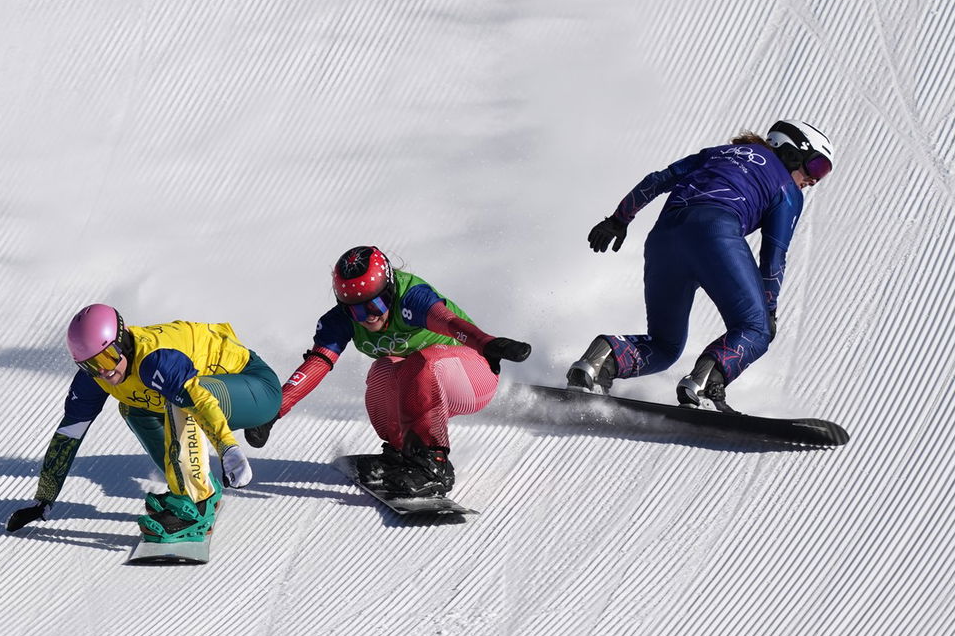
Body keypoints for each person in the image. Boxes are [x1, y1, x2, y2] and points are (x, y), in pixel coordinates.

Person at [567, 119, 835, 410]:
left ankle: (601, 360)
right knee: (755, 329)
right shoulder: (787, 189)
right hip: (715, 234)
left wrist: (619, 219)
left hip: (663, 239)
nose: (814, 180)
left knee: (665, 346)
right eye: (817, 166)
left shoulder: (717, 153)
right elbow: (774, 256)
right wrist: (769, 311)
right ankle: (704, 387)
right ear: (791, 151)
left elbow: (657, 180)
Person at [249, 246, 531, 498]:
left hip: (472, 377)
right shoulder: (341, 320)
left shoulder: (411, 297)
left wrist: (487, 343)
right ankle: (403, 451)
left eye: (377, 304)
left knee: (423, 361)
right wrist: (274, 410)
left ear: (391, 289)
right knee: (382, 370)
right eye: (357, 311)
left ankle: (434, 465)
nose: (370, 316)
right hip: (421, 387)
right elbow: (317, 364)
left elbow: (448, 322)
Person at [5, 305, 282, 543]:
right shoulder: (96, 378)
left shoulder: (154, 360)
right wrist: (44, 498)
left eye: (107, 357)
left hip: (255, 386)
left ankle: (194, 507)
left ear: (123, 342)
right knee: (132, 405)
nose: (104, 370)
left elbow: (198, 402)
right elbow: (68, 434)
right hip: (211, 391)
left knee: (176, 398)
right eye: (91, 365)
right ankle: (197, 489)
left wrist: (227, 448)